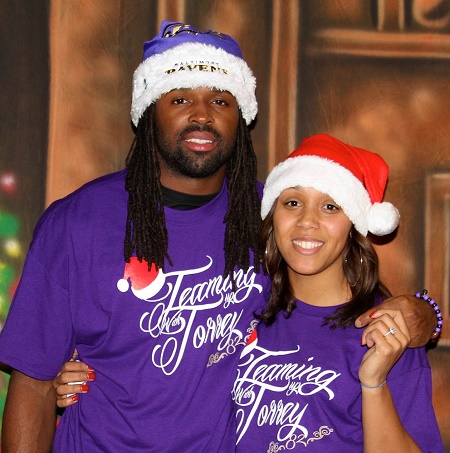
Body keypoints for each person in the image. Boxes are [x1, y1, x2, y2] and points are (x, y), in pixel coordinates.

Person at [0, 21, 439, 452]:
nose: (202, 115)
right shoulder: (78, 223)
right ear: (150, 111)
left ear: (241, 115)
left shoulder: (273, 217)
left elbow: (343, 295)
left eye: (221, 100)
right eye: (180, 98)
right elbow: (33, 383)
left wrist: (424, 315)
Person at [232, 134, 444, 452]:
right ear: (273, 216)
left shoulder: (387, 331)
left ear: (353, 225)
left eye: (330, 207)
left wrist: (373, 383)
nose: (307, 221)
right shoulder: (241, 306)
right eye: (293, 202)